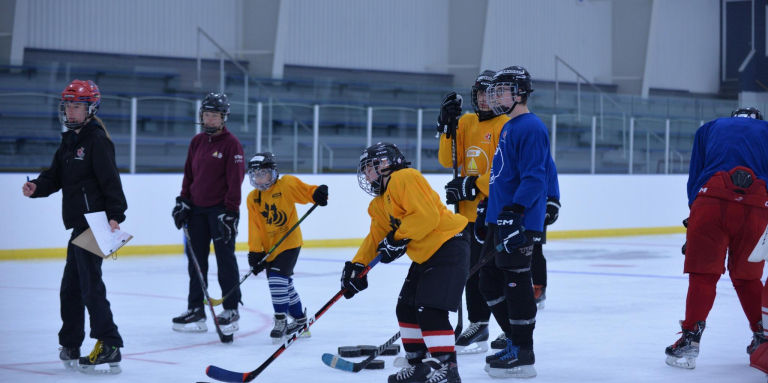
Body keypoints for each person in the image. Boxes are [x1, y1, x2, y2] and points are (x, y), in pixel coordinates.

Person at [341, 142, 469, 383]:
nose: (367, 175)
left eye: (371, 167)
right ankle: (418, 366)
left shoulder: (404, 178)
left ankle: (447, 368)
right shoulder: (378, 204)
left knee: (428, 308)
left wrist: (396, 238)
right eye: (365, 170)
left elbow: (427, 217)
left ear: (387, 163)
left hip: (448, 244)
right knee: (406, 307)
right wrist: (358, 266)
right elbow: (376, 238)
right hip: (425, 255)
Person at [23, 79, 126, 375]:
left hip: (96, 223)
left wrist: (116, 213)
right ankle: (71, 342)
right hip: (79, 226)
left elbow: (111, 180)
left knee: (90, 287)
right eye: (68, 105)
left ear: (90, 108)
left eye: (77, 106)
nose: (70, 111)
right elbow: (55, 176)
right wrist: (37, 186)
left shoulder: (96, 140)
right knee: (70, 288)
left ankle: (110, 343)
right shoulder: (69, 141)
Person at [666, 107, 768, 370]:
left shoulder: (709, 128)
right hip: (758, 205)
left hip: (710, 199)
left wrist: (695, 215)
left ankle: (690, 341)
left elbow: (695, 176)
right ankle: (762, 337)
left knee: (703, 274)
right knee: (748, 278)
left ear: (732, 117)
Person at [474, 66, 552, 379]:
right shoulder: (509, 126)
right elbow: (502, 176)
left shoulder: (530, 127)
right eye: (495, 90)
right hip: (500, 218)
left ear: (520, 92)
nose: (495, 95)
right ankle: (516, 342)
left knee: (516, 282)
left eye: (503, 89)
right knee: (488, 282)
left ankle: (523, 350)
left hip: (519, 221)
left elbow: (535, 177)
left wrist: (515, 211)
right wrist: (486, 209)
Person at [437, 70, 508, 354]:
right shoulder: (465, 122)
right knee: (471, 272)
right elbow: (447, 160)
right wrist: (446, 126)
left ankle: (509, 328)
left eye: (489, 94)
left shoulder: (506, 125)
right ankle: (479, 323)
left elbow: (504, 170)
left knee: (498, 272)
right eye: (480, 94)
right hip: (466, 216)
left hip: (494, 212)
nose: (484, 100)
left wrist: (473, 185)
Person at [171, 93, 245, 334]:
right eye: (206, 115)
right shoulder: (197, 142)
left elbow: (236, 182)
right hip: (197, 211)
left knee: (225, 260)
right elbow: (189, 176)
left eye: (214, 115)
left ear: (223, 118)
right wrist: (184, 201)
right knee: (196, 262)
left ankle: (231, 309)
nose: (209, 119)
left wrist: (231, 212)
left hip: (221, 212)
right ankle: (196, 310)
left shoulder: (231, 144)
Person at [244, 152, 329, 343]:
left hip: (289, 243)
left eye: (263, 173)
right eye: (255, 174)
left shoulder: (286, 185)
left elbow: (307, 191)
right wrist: (255, 252)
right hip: (269, 249)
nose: (258, 178)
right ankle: (300, 321)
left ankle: (280, 320)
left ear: (273, 172)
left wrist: (317, 193)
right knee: (284, 286)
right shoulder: (253, 198)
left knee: (276, 280)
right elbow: (254, 228)